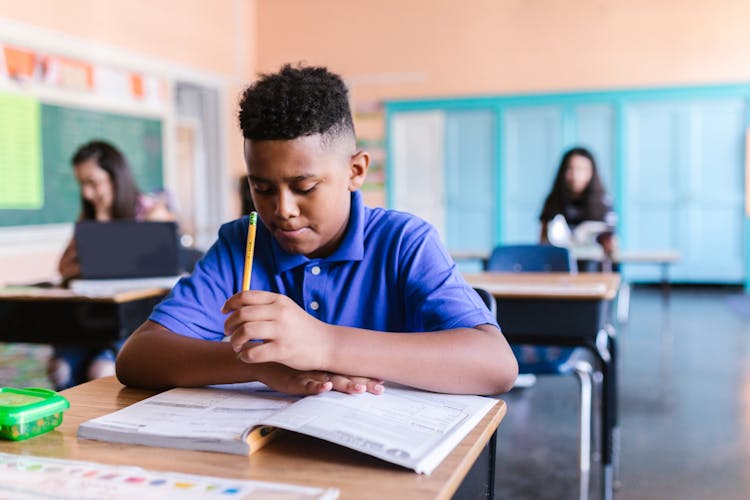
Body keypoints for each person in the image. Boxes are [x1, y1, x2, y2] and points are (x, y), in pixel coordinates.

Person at [116, 64, 518, 396]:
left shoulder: (404, 242)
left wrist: (324, 344)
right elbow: (139, 356)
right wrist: (262, 366)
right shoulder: (243, 243)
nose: (283, 210)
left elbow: (495, 365)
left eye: (305, 187)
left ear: (355, 171)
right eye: (262, 188)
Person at [49, 140, 174, 390]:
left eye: (93, 183)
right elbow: (64, 267)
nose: (86, 193)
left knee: (100, 370)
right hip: (92, 318)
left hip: (136, 320)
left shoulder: (151, 214)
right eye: (81, 184)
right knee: (59, 370)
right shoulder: (89, 217)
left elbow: (163, 271)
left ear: (115, 176)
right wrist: (101, 223)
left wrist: (98, 257)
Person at [539, 147, 617, 267]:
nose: (576, 175)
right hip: (559, 265)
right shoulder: (552, 201)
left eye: (582, 169)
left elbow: (612, 245)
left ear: (592, 172)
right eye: (571, 169)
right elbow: (542, 242)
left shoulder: (603, 202)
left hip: (593, 267)